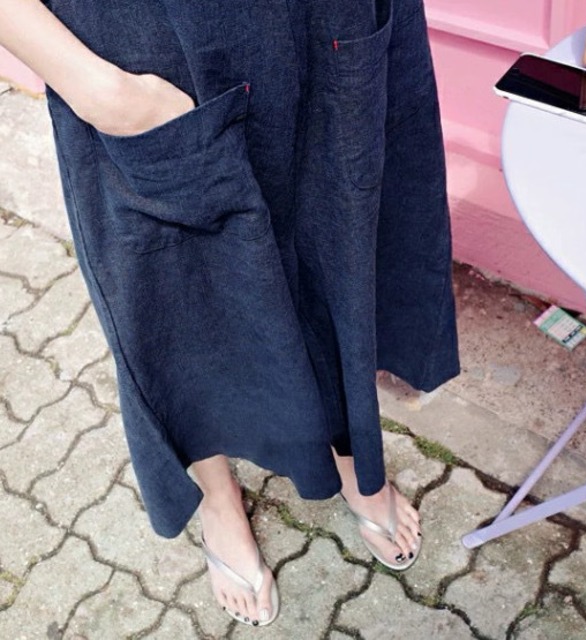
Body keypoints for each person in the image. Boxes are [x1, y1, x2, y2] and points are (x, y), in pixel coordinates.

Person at [0, 0, 459, 628]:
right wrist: (99, 91)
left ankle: (355, 455)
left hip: (327, 20)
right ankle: (215, 494)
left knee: (342, 257)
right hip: (145, 46)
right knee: (176, 297)